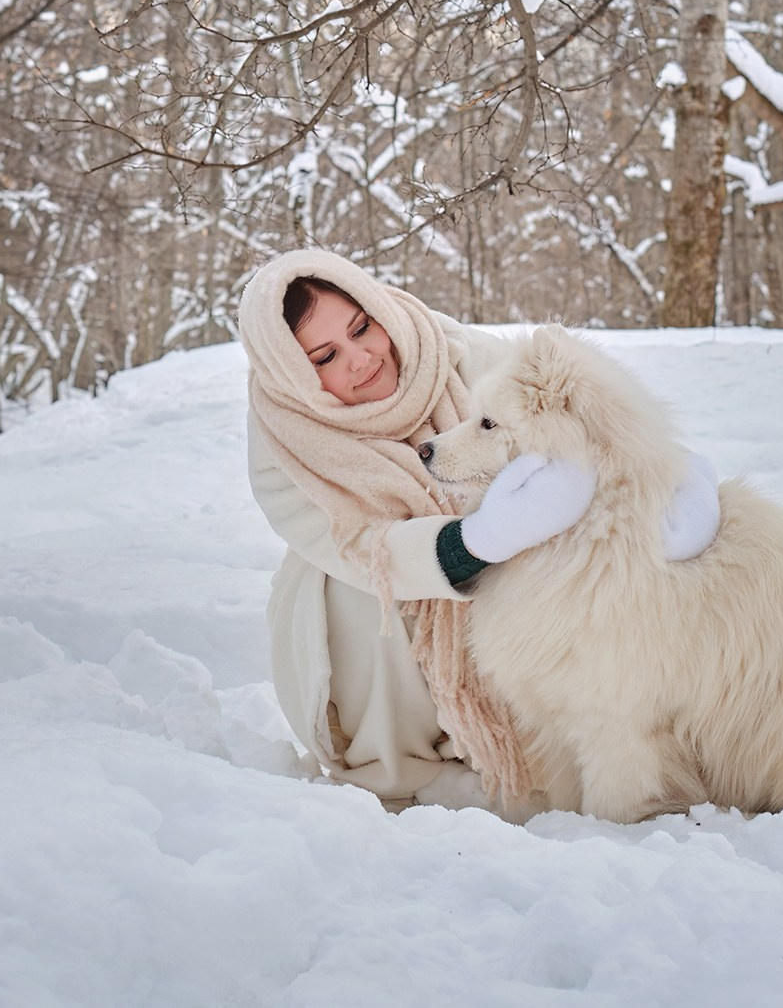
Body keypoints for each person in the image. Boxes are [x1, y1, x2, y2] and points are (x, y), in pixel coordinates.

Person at [237, 248, 721, 808]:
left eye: (362, 327)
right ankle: (404, 766)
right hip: (376, 597)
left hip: (516, 586)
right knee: (362, 593)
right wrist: (474, 541)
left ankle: (529, 743)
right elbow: (362, 550)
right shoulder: (286, 439)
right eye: (325, 357)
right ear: (294, 374)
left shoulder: (453, 351)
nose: (361, 359)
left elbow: (583, 414)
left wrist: (677, 476)